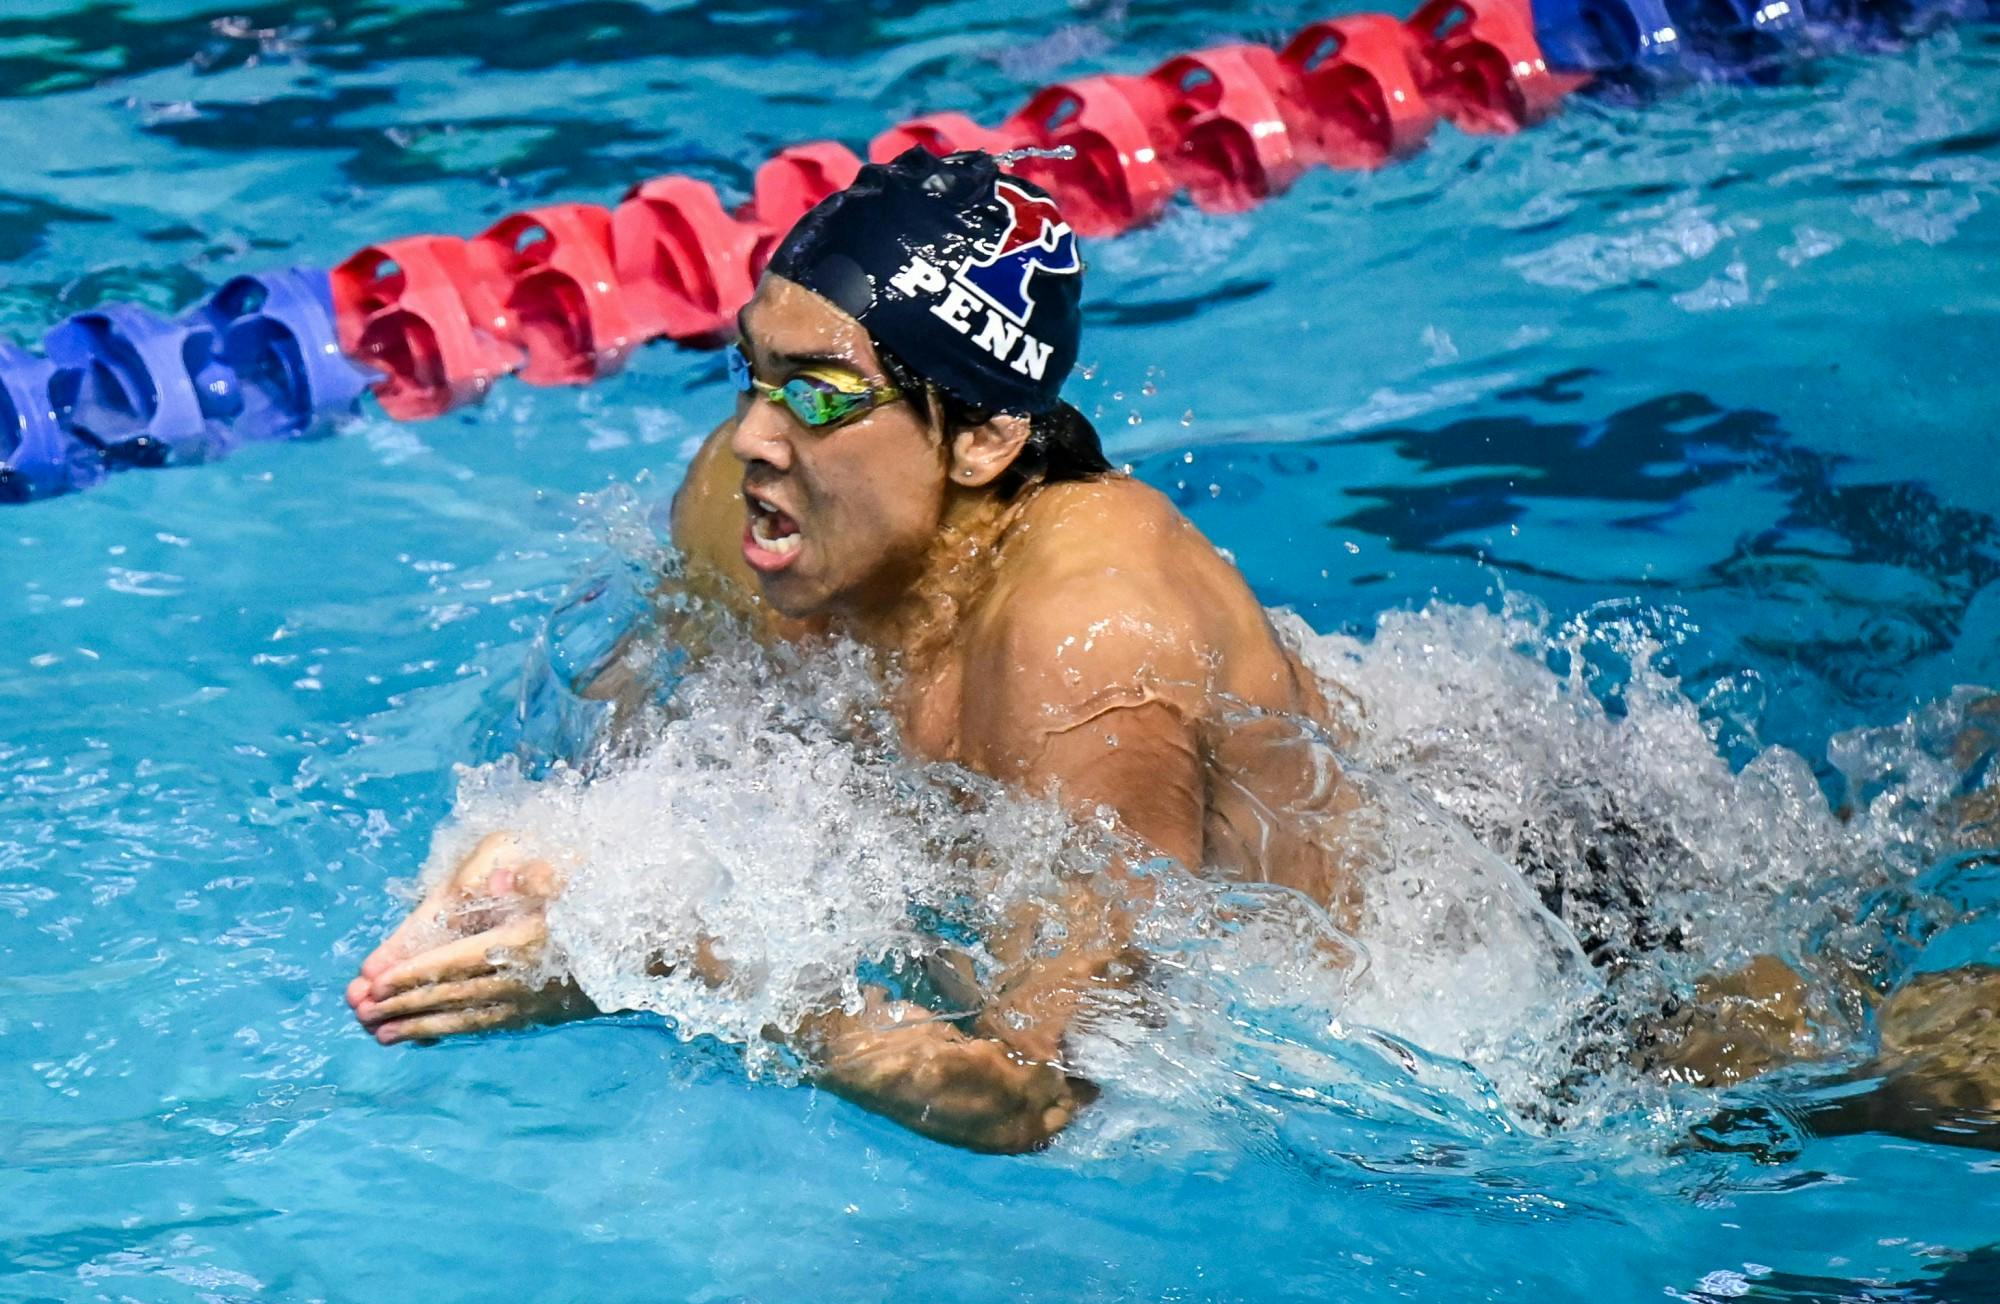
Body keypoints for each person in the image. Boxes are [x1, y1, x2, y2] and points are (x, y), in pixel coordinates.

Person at [345, 149, 1997, 1154]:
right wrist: (535, 871)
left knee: (1833, 1076)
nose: (759, 436)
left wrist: (678, 965)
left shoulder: (1084, 645)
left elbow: (1046, 1092)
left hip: (1521, 944)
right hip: (1403, 752)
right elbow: (633, 728)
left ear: (983, 442)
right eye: (749, 369)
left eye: (827, 392)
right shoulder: (757, 497)